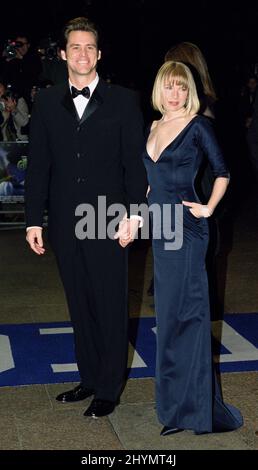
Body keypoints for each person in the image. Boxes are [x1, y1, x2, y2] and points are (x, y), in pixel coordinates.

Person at [25, 17, 147, 418]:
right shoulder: (45, 101)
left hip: (109, 219)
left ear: (99, 53)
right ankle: (90, 378)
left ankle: (109, 388)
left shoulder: (125, 100)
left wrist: (135, 215)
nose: (82, 54)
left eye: (89, 47)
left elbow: (135, 165)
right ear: (63, 55)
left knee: (110, 305)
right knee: (79, 304)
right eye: (74, 47)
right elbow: (39, 165)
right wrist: (33, 220)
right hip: (63, 220)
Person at [143, 60, 243, 435]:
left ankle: (193, 410)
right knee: (167, 320)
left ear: (190, 92)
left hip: (187, 231)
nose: (175, 94)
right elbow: (152, 186)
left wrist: (208, 207)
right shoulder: (153, 126)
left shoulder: (199, 126)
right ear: (160, 89)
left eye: (181, 87)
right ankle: (173, 407)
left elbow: (223, 171)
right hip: (162, 232)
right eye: (169, 86)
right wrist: (137, 218)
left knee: (188, 319)